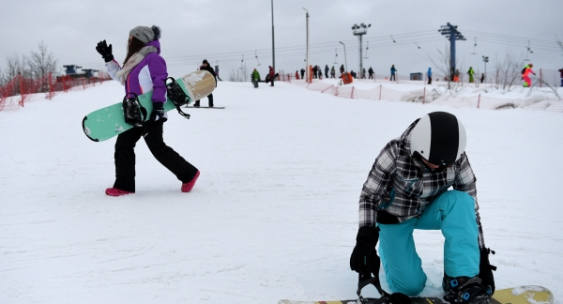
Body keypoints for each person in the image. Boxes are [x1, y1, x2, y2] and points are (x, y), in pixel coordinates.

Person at [350, 112, 495, 304]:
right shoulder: (394, 152)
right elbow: (369, 196)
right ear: (419, 148)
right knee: (410, 286)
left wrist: (481, 254)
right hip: (395, 217)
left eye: (444, 165)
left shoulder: (457, 158)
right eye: (433, 163)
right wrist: (365, 240)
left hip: (431, 210)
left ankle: (459, 280)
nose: (438, 168)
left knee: (461, 202)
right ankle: (390, 251)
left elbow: (471, 207)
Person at [95, 25, 200, 196]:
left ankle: (189, 174)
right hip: (135, 113)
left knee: (157, 148)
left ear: (139, 40)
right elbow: (121, 77)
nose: (128, 42)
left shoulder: (153, 59)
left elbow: (160, 81)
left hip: (151, 112)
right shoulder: (134, 62)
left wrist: (158, 106)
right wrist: (108, 58)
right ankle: (124, 186)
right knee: (124, 145)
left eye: (131, 39)